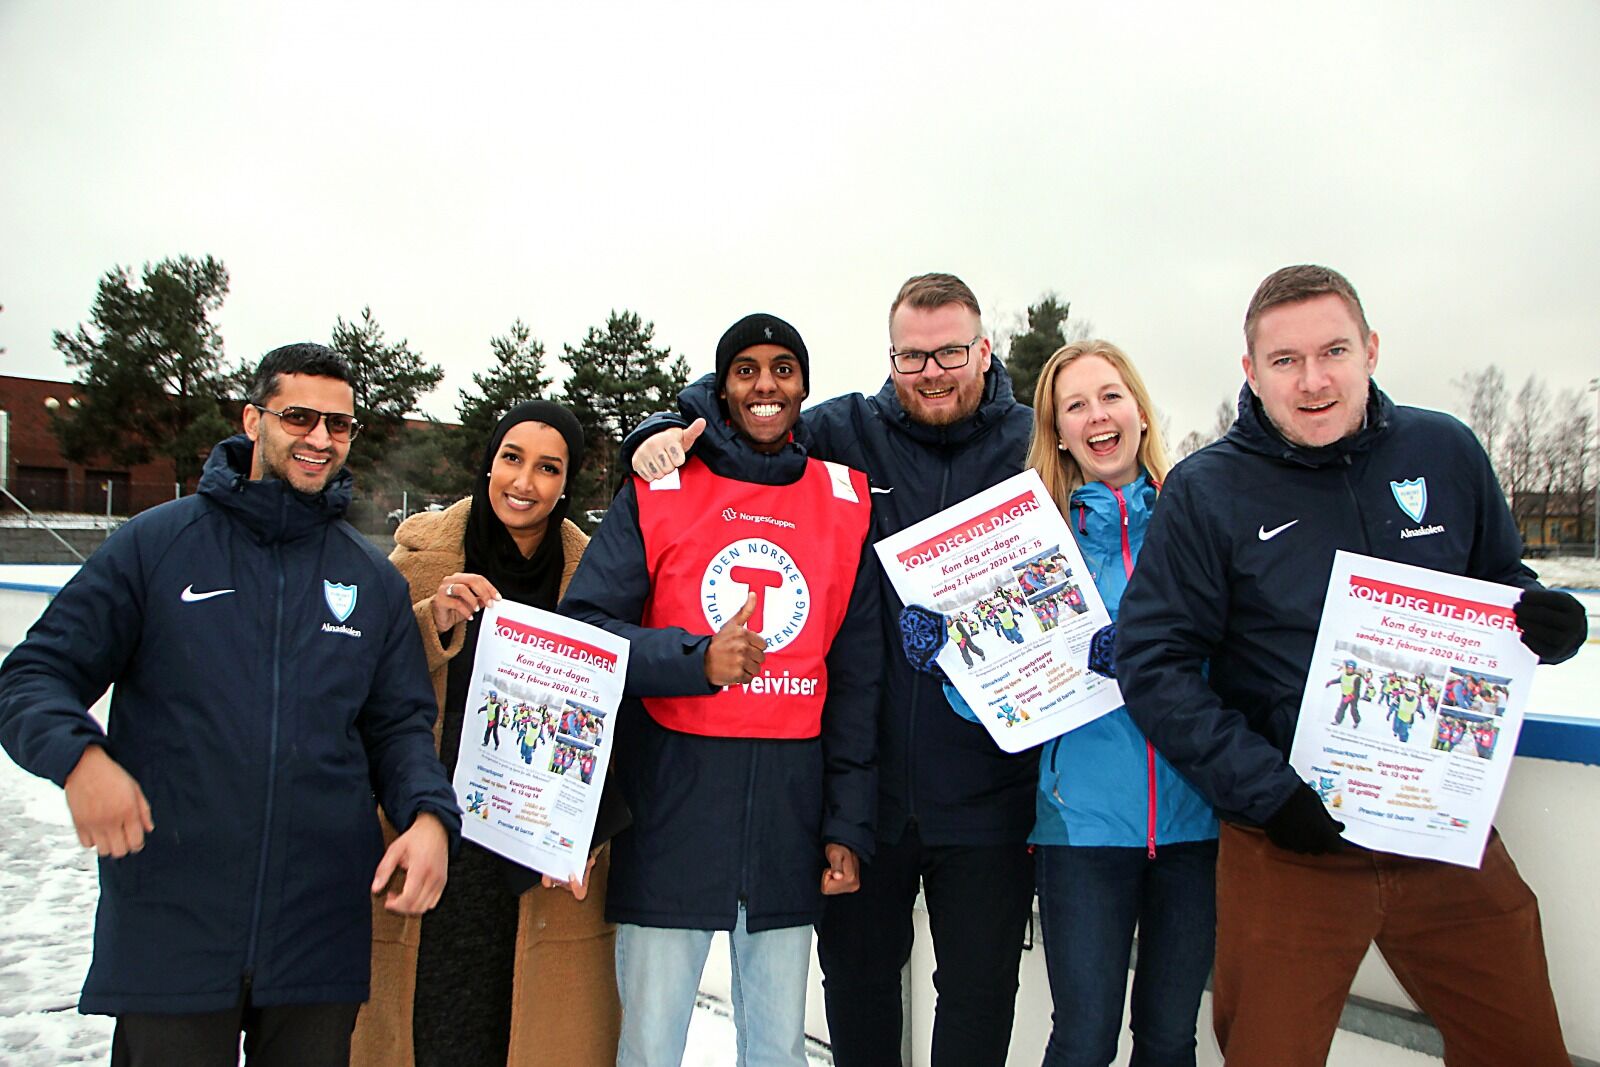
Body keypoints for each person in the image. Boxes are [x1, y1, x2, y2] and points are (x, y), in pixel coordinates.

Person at [1114, 265, 1588, 1066]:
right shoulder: (1208, 490)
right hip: (1292, 841)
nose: (1314, 380)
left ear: (1370, 348)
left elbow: (1501, 583)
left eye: (1333, 350)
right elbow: (1152, 662)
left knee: (1524, 1045)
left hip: (1443, 828)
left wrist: (1547, 618)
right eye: (1286, 360)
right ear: (1251, 373)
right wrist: (1268, 793)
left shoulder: (1443, 449)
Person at [0, 342, 461, 1067]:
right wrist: (80, 758)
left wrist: (430, 814)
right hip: (173, 934)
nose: (319, 438)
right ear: (254, 418)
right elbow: (32, 674)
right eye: (299, 416)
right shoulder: (157, 546)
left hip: (316, 940)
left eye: (339, 425)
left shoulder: (367, 580)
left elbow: (399, 727)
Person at [627, 275, 1037, 1066]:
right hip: (866, 794)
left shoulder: (1028, 439)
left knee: (980, 1001)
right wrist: (659, 425)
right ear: (891, 358)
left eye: (951, 350)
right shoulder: (845, 430)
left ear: (983, 350)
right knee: (857, 994)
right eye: (912, 355)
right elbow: (748, 419)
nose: (933, 371)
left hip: (987, 790)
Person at [561, 313, 880, 1067]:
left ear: (804, 386)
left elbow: (859, 679)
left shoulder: (844, 500)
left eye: (782, 368)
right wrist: (693, 659)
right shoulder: (661, 485)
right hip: (672, 809)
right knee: (650, 1044)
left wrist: (847, 821)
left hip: (787, 820)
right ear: (723, 385)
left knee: (777, 1049)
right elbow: (586, 633)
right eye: (745, 369)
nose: (765, 384)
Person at [925, 339, 1219, 1066]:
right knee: (1084, 1037)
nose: (1097, 416)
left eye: (1111, 396)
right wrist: (948, 659)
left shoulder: (1198, 525)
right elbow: (995, 707)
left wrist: (1158, 661)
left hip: (1195, 823)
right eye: (1075, 405)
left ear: (1141, 412)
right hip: (1082, 828)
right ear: (1056, 431)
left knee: (1169, 1038)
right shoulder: (1035, 542)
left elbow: (1240, 656)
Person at [350, 400, 621, 1067]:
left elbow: (620, 722)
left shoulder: (596, 582)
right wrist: (434, 617)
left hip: (534, 854)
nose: (524, 481)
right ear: (489, 461)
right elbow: (365, 685)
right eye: (511, 457)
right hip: (431, 834)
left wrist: (591, 826)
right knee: (428, 1025)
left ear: (568, 483)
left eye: (548, 467)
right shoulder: (419, 560)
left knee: (520, 1028)